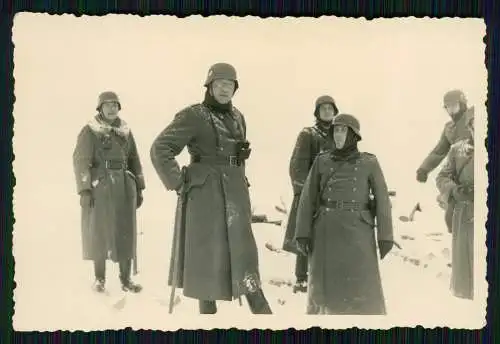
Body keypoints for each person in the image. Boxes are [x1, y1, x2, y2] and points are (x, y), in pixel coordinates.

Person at [150, 62, 272, 314]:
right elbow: (160, 148)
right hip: (205, 196)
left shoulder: (238, 116)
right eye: (219, 84)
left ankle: (258, 306)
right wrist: (179, 181)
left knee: (242, 250)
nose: (225, 89)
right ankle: (208, 315)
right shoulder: (193, 115)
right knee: (206, 254)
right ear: (209, 87)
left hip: (236, 192)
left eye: (229, 85)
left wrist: (238, 156)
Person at [294, 114, 394, 315]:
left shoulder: (369, 162)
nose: (338, 135)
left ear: (354, 135)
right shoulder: (321, 162)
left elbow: (383, 201)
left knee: (361, 287)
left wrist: (385, 236)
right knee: (326, 292)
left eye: (343, 130)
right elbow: (307, 199)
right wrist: (302, 233)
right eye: (335, 131)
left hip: (358, 230)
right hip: (326, 230)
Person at [72, 91, 145, 293]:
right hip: (100, 187)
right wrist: (85, 189)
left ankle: (126, 279)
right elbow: (80, 161)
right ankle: (99, 279)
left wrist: (139, 187)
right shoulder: (90, 131)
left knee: (126, 231)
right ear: (100, 108)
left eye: (115, 105)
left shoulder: (125, 131)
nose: (112, 108)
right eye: (107, 105)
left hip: (124, 186)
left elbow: (134, 160)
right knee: (99, 231)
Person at [282, 95, 339, 294]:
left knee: (329, 236)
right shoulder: (308, 134)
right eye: (322, 108)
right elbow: (296, 166)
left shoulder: (340, 134)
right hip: (310, 194)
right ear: (317, 112)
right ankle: (301, 279)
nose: (326, 111)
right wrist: (305, 192)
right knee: (305, 235)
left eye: (330, 108)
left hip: (333, 196)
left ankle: (326, 277)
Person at [416, 89, 475, 233]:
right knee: (452, 218)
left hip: (477, 169)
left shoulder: (474, 117)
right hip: (458, 173)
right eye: (447, 107)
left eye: (454, 106)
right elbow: (439, 151)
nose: (451, 111)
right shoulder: (449, 128)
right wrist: (424, 168)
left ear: (462, 104)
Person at [436, 113, 474, 300]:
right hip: (464, 213)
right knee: (465, 275)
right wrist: (454, 190)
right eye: (473, 123)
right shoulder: (458, 149)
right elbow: (442, 177)